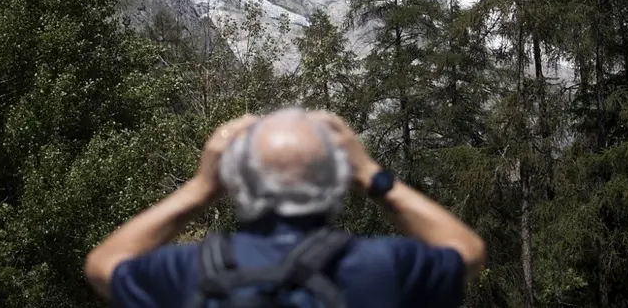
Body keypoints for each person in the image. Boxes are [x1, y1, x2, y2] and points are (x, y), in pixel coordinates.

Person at [84, 108, 486, 307]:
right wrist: (370, 173)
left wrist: (201, 187)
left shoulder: (186, 271)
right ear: (338, 179)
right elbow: (466, 250)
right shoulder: (385, 265)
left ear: (236, 180)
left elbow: (103, 264)